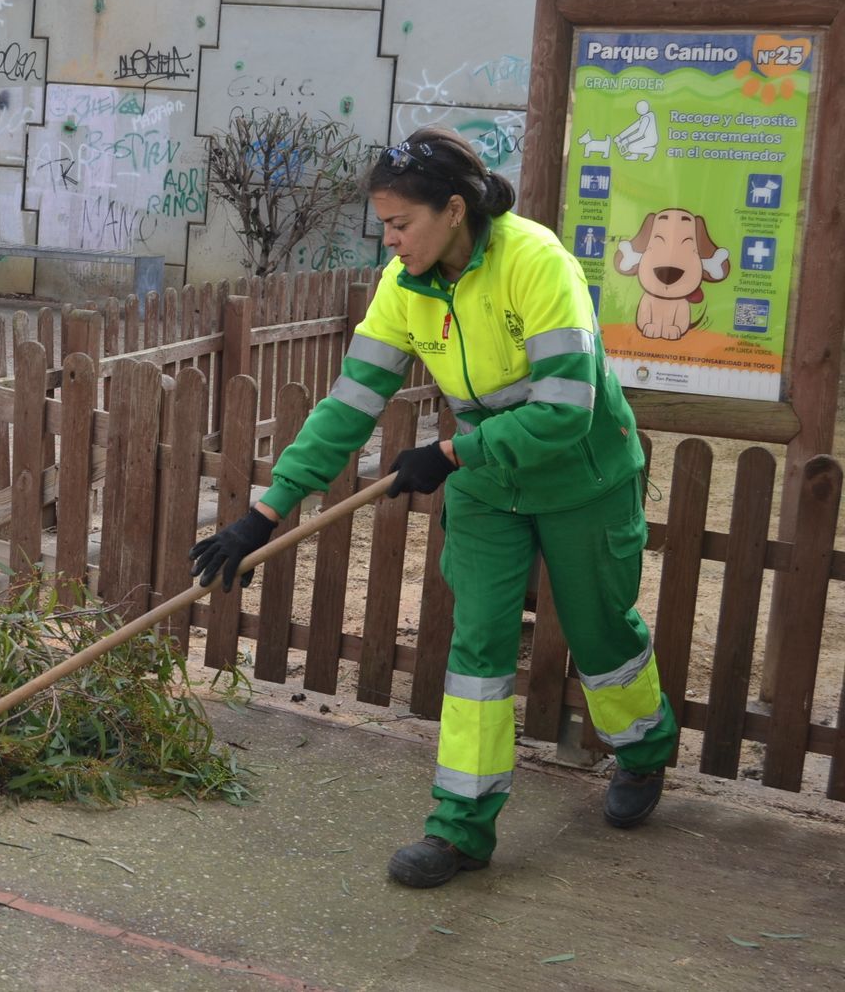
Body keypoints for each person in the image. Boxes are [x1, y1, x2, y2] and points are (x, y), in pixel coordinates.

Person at [190, 127, 679, 888]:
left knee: (600, 632)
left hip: (582, 473)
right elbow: (349, 406)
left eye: (401, 223)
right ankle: (459, 830)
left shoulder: (535, 261)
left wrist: (449, 453)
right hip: (488, 481)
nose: (390, 241)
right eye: (383, 224)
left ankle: (644, 752)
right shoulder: (403, 287)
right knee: (478, 651)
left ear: (455, 210)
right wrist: (267, 511)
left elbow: (564, 410)